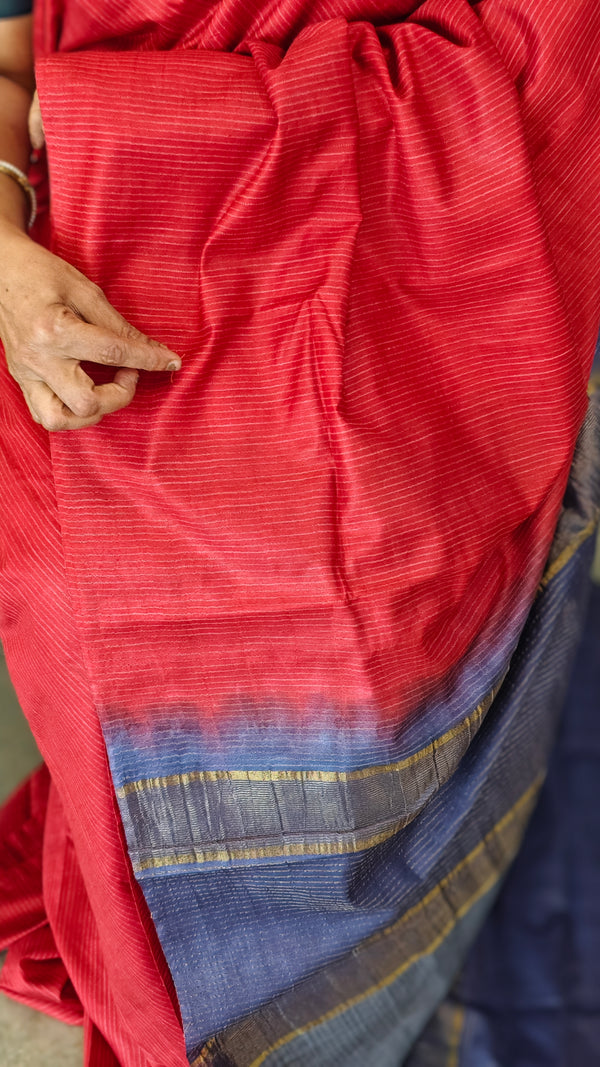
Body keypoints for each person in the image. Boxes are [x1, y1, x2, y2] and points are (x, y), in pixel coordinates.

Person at [0, 2, 599, 1065]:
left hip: (434, 341)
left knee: (431, 725)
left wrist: (181, 131)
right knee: (132, 765)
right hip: (99, 351)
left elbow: (548, 41)